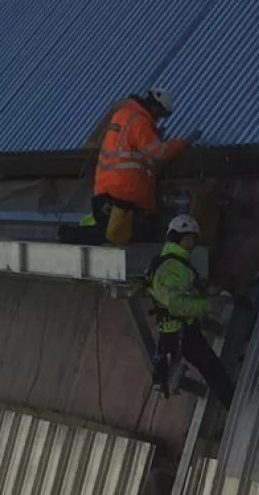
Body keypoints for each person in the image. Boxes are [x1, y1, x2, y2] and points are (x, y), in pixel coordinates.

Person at [147, 213, 236, 408]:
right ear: (181, 237)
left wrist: (210, 296)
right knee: (213, 370)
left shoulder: (173, 263)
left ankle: (232, 403)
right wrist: (207, 305)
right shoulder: (173, 267)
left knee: (213, 369)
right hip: (181, 333)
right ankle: (235, 406)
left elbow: (185, 294)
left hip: (177, 332)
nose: (194, 242)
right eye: (191, 237)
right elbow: (177, 304)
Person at [90, 86, 198, 244]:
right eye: (159, 115)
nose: (157, 119)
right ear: (155, 107)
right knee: (140, 237)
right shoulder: (139, 121)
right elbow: (158, 152)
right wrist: (182, 143)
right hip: (126, 195)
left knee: (112, 238)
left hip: (105, 191)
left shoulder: (121, 115)